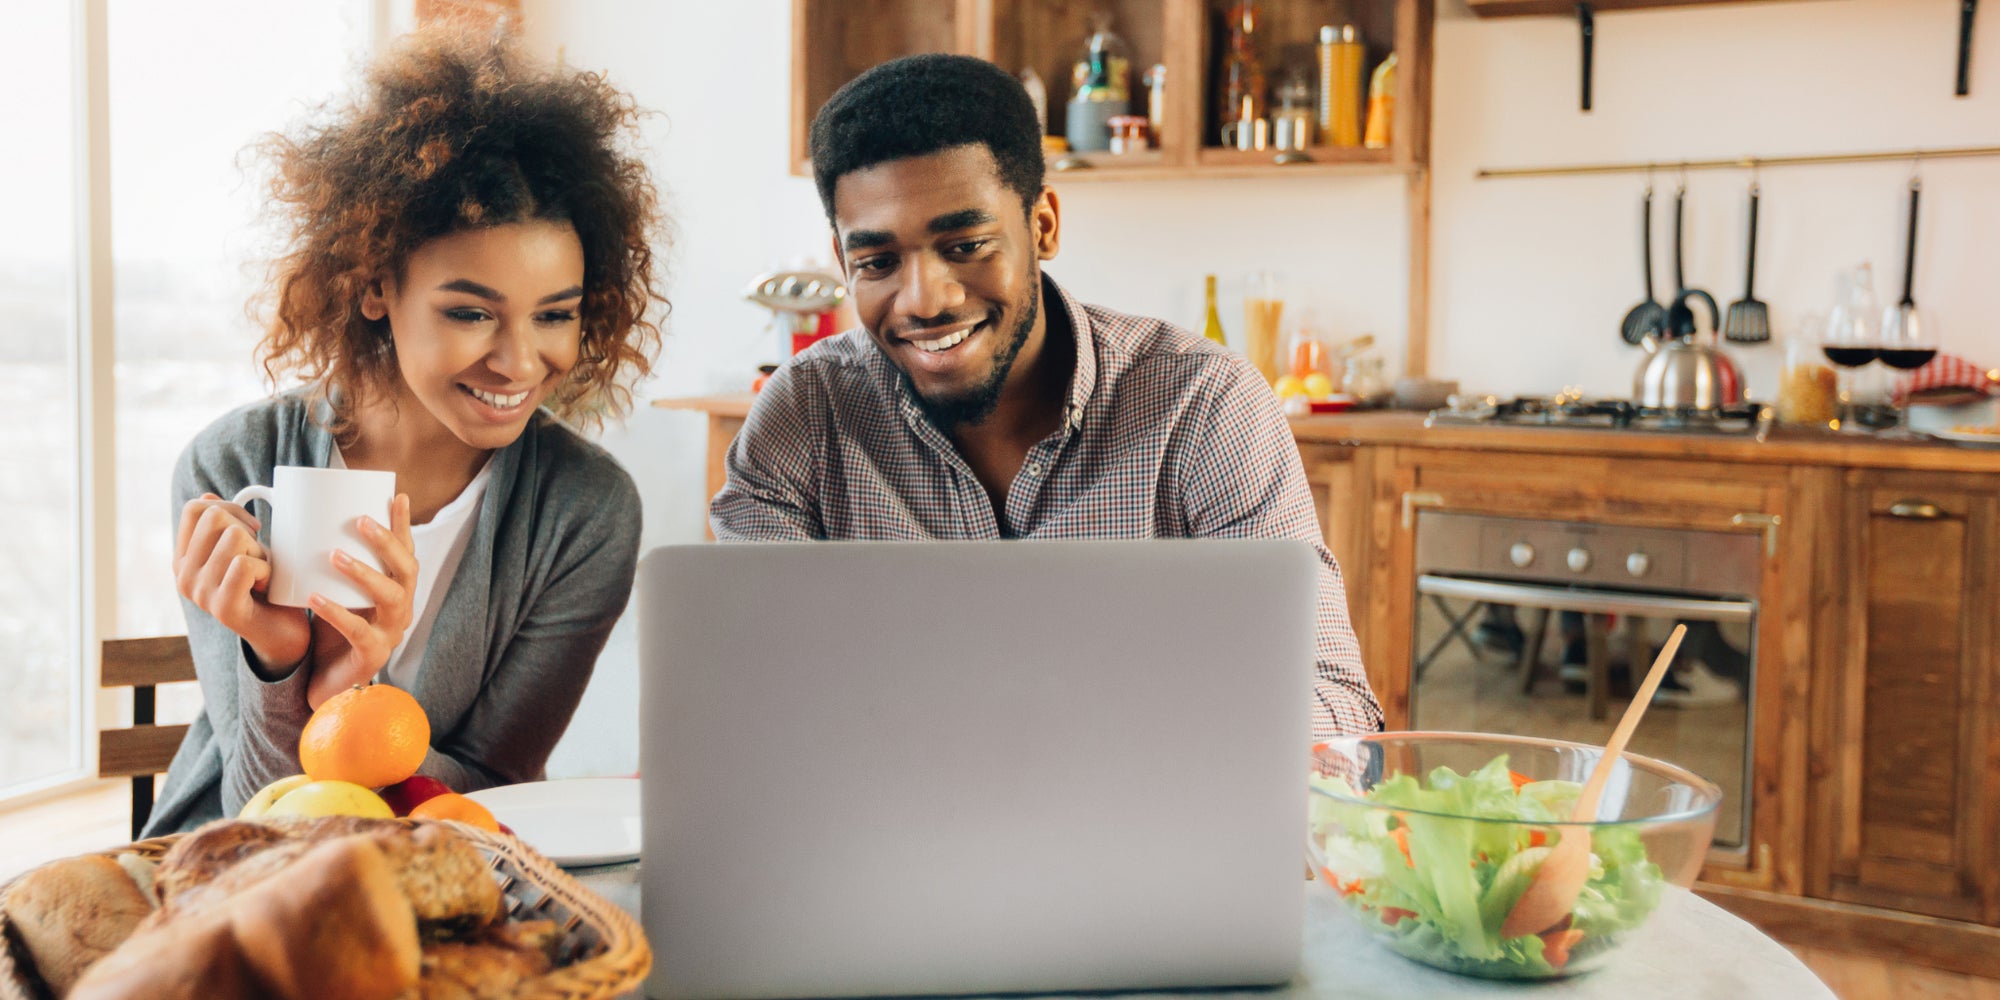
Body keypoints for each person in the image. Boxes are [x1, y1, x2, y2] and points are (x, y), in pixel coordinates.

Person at [709, 54, 1381, 738]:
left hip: (1143, 799)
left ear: (1043, 226)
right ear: (843, 260)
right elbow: (755, 695)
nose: (925, 301)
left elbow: (1333, 706)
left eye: (966, 245)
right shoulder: (805, 416)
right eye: (878, 263)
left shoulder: (1203, 404)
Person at [148, 27, 667, 835]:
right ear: (374, 288)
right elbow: (256, 813)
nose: (519, 363)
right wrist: (280, 660)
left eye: (554, 315)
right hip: (223, 871)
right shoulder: (237, 465)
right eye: (470, 313)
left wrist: (352, 698)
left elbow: (493, 790)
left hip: (444, 876)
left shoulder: (583, 510)